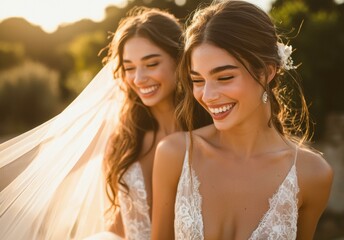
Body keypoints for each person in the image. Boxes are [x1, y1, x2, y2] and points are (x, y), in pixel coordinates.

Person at [0, 6, 211, 240]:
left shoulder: (207, 134)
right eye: (129, 67)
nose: (139, 78)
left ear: (179, 59)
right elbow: (125, 222)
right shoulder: (124, 137)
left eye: (151, 64)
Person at [151, 1, 333, 239]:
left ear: (267, 71)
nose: (207, 96)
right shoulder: (175, 154)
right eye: (197, 80)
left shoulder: (312, 174)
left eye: (224, 77)